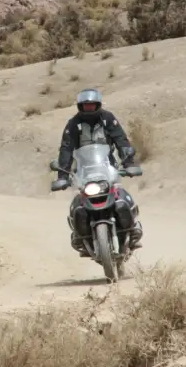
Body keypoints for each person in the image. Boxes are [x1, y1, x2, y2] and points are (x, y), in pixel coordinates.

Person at [51, 88, 144, 255]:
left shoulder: (107, 119)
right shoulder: (73, 124)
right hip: (84, 173)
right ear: (80, 106)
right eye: (85, 106)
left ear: (98, 105)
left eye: (91, 105)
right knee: (78, 204)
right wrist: (62, 176)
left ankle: (133, 227)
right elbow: (66, 149)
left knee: (121, 196)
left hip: (107, 168)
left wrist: (128, 163)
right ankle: (80, 236)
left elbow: (121, 140)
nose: (88, 108)